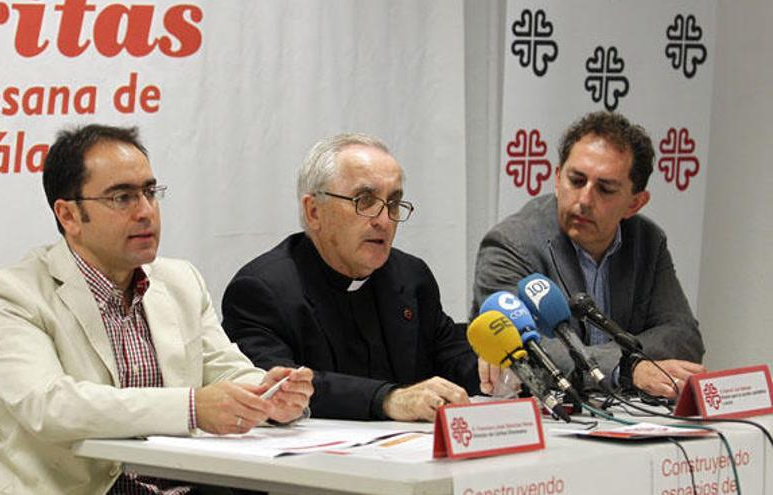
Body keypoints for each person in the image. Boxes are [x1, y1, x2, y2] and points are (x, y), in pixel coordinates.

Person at [0, 124, 313, 495]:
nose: (146, 211)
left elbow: (225, 371)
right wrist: (192, 408)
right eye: (122, 198)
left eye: (150, 192)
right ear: (68, 216)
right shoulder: (12, 294)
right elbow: (50, 406)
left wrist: (267, 396)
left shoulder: (180, 280)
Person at [221, 133, 479, 422]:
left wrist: (497, 370)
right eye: (365, 200)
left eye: (393, 203)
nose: (384, 220)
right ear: (314, 211)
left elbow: (450, 356)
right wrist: (389, 399)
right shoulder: (262, 290)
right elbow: (278, 388)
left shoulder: (410, 276)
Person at [472, 111, 705, 399]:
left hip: (623, 412)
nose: (584, 200)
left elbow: (682, 336)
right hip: (540, 418)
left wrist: (618, 366)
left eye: (605, 189)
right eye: (576, 180)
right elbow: (525, 352)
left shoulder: (647, 241)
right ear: (557, 179)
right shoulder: (510, 244)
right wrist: (627, 369)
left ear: (635, 203)